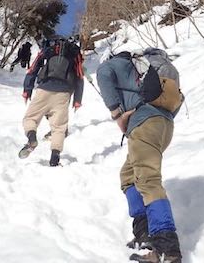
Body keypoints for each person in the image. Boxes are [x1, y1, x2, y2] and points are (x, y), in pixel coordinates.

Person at [96, 50, 182, 263]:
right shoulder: (150, 69)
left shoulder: (115, 63)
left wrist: (117, 114)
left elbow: (102, 73)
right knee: (128, 175)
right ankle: (144, 234)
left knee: (147, 179)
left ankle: (166, 248)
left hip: (144, 123)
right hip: (164, 125)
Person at [18, 36, 84, 167]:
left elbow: (33, 68)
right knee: (59, 127)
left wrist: (27, 89)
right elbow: (79, 76)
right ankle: (55, 157)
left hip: (44, 89)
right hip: (64, 93)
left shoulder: (49, 49)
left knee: (31, 118)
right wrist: (77, 100)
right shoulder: (73, 53)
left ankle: (31, 138)